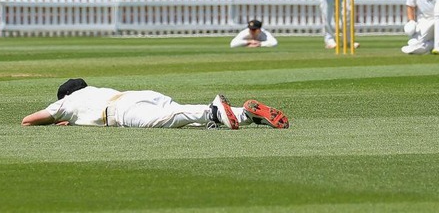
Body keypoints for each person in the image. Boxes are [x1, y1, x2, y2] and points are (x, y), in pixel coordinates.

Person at [21, 78, 289, 129]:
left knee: (172, 119)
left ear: (65, 95)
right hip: (137, 95)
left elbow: (28, 120)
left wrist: (59, 120)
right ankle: (248, 115)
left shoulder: (67, 102)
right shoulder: (92, 89)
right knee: (184, 117)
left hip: (121, 111)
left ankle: (215, 109)